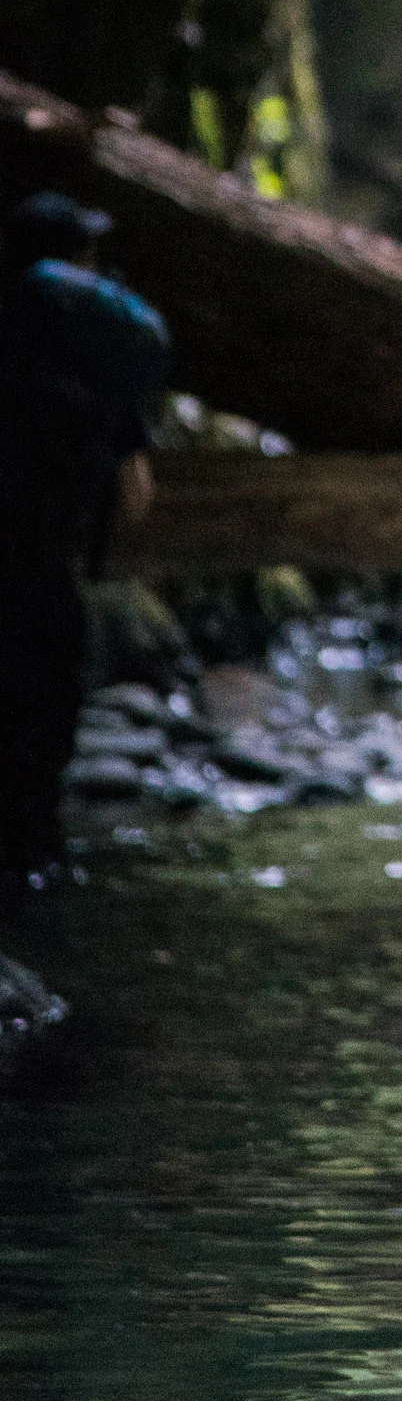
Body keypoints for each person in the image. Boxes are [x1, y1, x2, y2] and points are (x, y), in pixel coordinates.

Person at [0, 193, 171, 894]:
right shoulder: (81, 337)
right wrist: (133, 441)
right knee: (42, 699)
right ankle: (31, 853)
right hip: (39, 566)